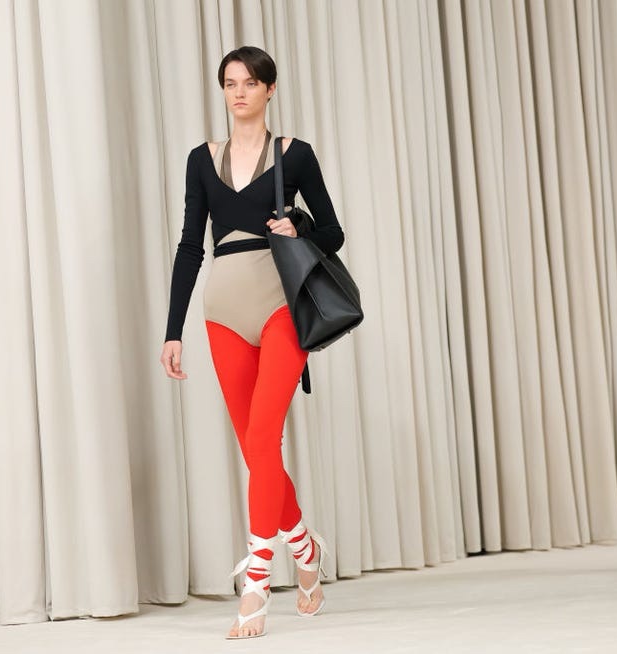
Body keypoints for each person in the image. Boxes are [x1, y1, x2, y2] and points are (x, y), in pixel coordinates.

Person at [159, 46, 344, 639]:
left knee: (264, 437)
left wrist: (299, 226)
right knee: (256, 449)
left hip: (279, 303)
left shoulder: (295, 154)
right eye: (230, 84)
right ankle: (305, 547)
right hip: (222, 311)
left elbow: (334, 232)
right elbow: (191, 245)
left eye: (249, 83)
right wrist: (173, 330)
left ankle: (258, 580)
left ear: (270, 89)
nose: (238, 93)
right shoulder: (201, 159)